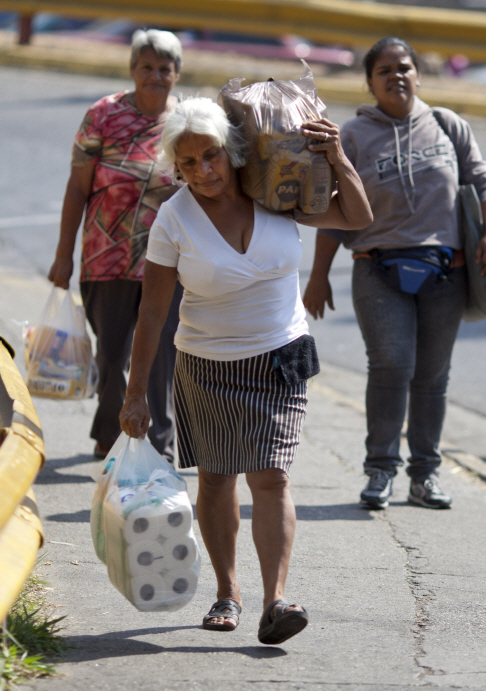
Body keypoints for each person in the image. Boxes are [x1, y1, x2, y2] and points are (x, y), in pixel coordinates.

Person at [119, 97, 372, 643]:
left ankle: (276, 600)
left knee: (272, 475)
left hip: (281, 355)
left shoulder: (276, 191)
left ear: (231, 152)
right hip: (206, 364)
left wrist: (339, 157)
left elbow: (356, 217)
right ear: (177, 169)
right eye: (188, 164)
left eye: (211, 156)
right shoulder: (175, 219)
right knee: (216, 477)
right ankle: (226, 592)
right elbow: (153, 313)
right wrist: (136, 392)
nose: (203, 172)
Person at [303, 37, 486, 511]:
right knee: (392, 364)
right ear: (370, 82)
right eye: (385, 70)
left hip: (446, 272)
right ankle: (379, 471)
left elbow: (482, 181)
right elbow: (334, 211)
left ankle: (425, 476)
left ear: (418, 74)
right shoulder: (352, 136)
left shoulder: (446, 125)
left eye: (405, 67)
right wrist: (317, 276)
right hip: (377, 269)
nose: (397, 75)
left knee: (432, 377)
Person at [48, 28, 184, 461]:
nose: (156, 76)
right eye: (147, 67)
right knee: (111, 355)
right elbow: (76, 188)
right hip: (105, 259)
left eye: (165, 69)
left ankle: (157, 445)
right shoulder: (103, 115)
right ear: (132, 70)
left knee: (163, 354)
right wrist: (62, 255)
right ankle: (111, 435)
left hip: (170, 264)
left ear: (177, 74)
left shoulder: (188, 122)